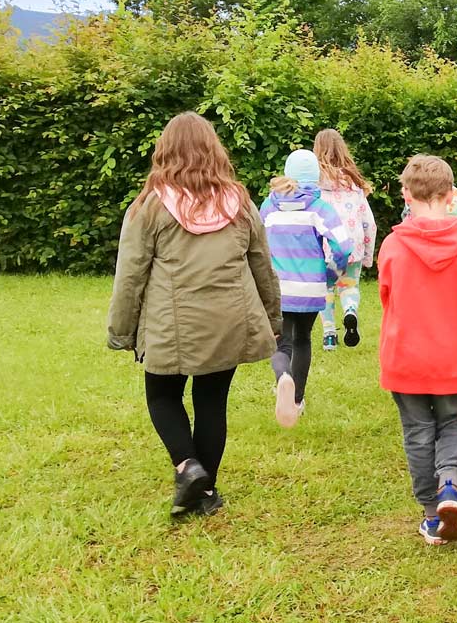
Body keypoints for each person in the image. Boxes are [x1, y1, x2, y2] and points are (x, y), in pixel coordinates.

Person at [107, 112, 280, 517]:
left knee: (162, 395)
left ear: (164, 151)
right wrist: (273, 320)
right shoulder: (239, 202)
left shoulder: (149, 206)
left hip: (173, 327)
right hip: (230, 322)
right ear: (214, 150)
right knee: (211, 401)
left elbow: (129, 275)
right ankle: (204, 492)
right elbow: (263, 267)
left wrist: (121, 331)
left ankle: (188, 467)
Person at [378, 155, 457, 545]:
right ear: (450, 195)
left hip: (405, 354)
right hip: (452, 353)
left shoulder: (392, 245)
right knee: (452, 422)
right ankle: (450, 486)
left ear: (406, 194)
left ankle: (429, 511)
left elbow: (387, 297)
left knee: (418, 432)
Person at [259, 149, 354, 427]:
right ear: (316, 177)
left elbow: (257, 245)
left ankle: (283, 378)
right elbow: (343, 245)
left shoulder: (269, 206)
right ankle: (296, 400)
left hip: (279, 289)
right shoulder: (319, 207)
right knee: (302, 340)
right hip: (311, 289)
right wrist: (330, 274)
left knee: (280, 342)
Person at [314, 129, 377, 350]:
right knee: (349, 285)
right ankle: (350, 310)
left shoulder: (314, 186)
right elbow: (369, 223)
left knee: (326, 289)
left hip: (325, 247)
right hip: (353, 245)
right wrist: (368, 255)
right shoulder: (354, 185)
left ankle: (329, 335)